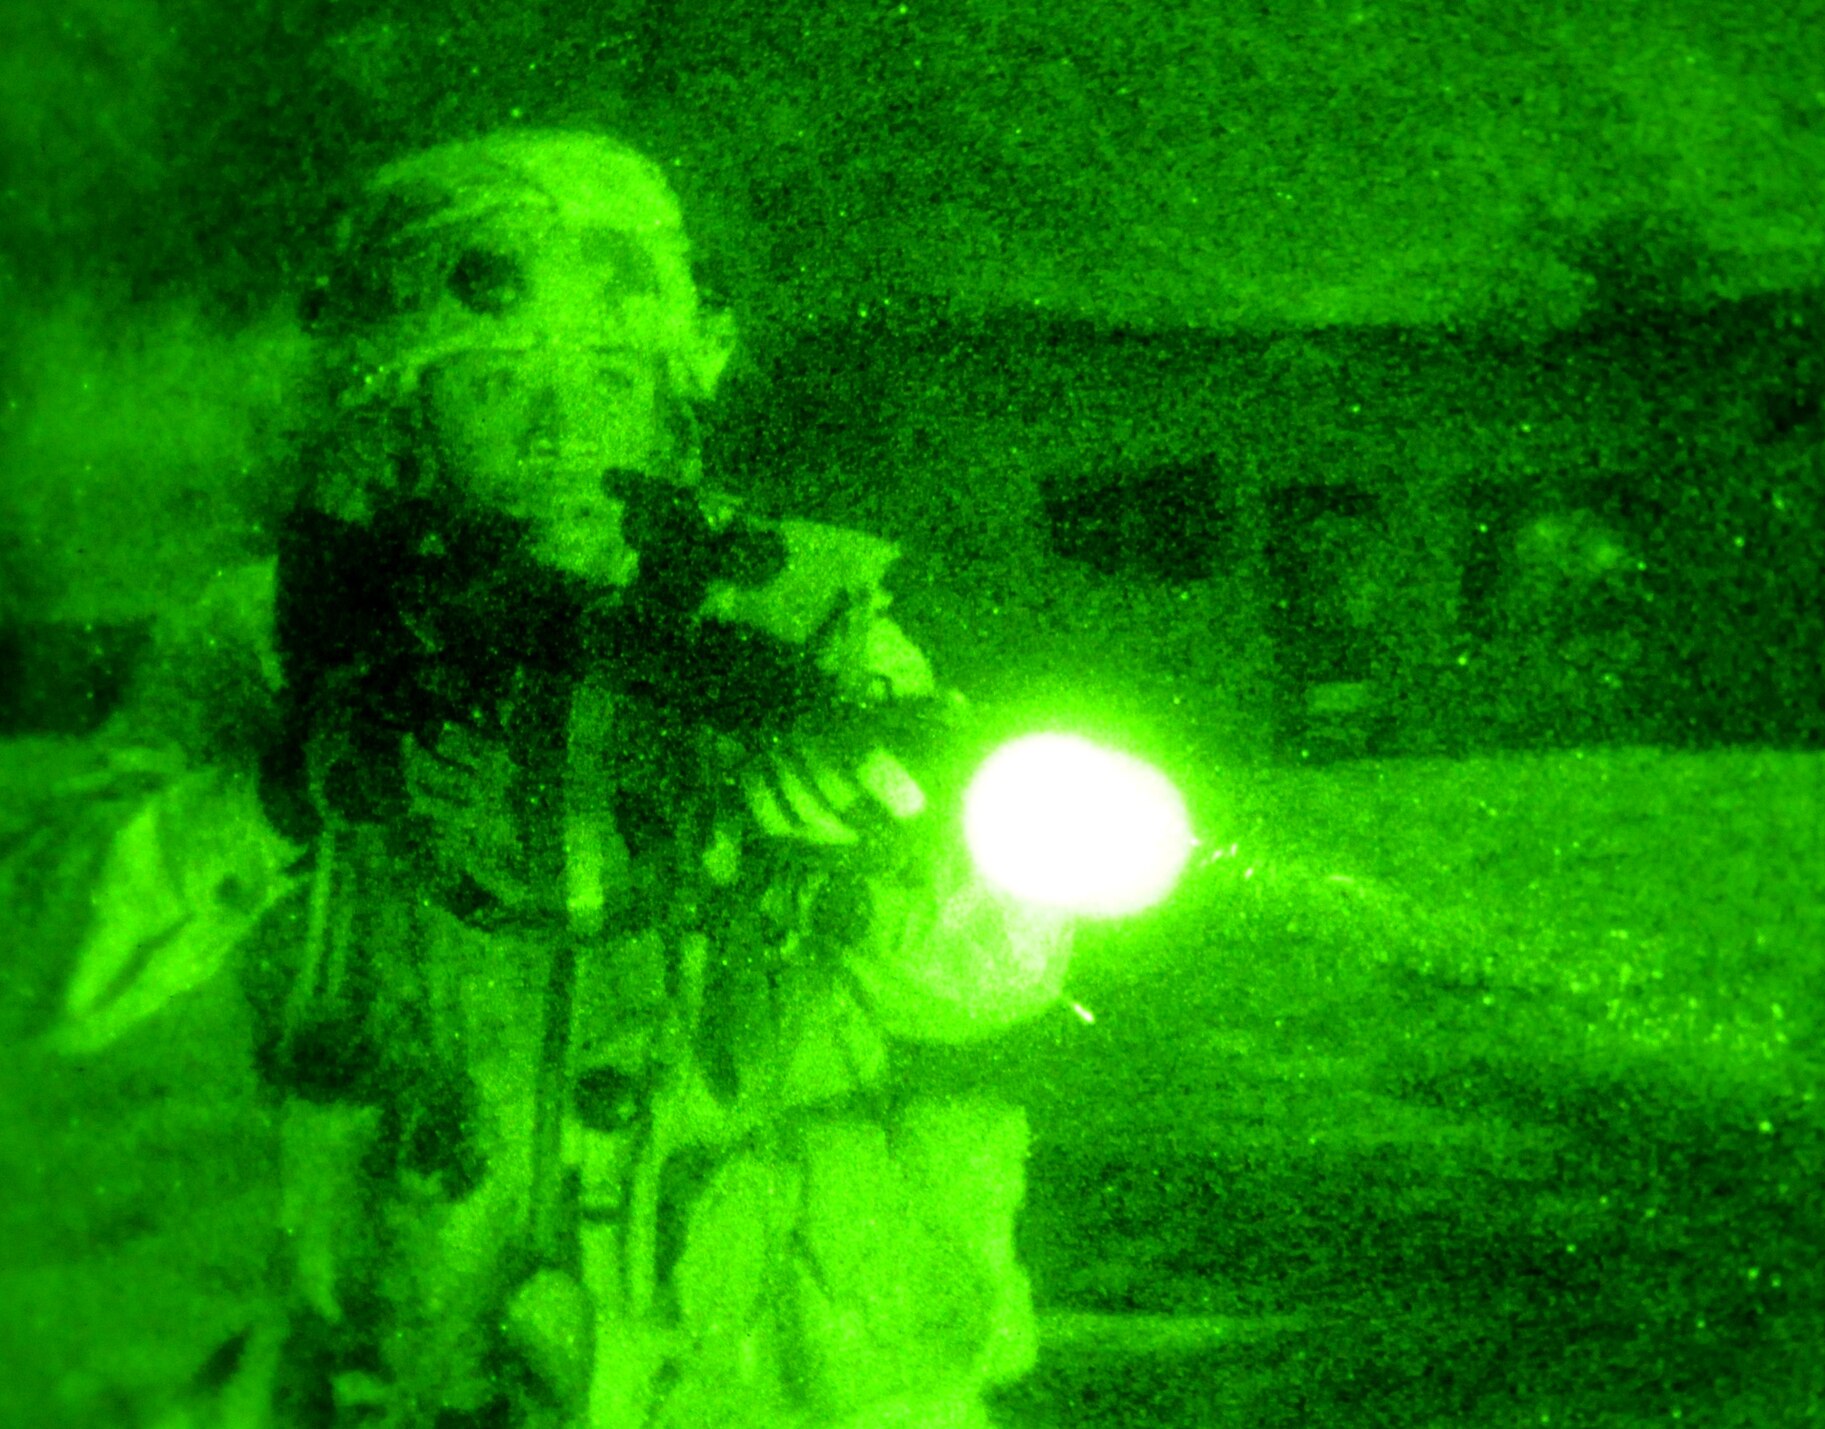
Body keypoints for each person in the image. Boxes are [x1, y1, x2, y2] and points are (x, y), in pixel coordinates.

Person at [50, 128, 1075, 1429]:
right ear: (400, 401)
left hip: (766, 1373)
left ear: (672, 387)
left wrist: (869, 862)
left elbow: (1000, 982)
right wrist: (282, 792)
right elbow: (44, 965)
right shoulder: (272, 634)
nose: (559, 428)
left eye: (608, 374)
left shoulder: (808, 629)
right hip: (416, 1359)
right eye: (490, 381)